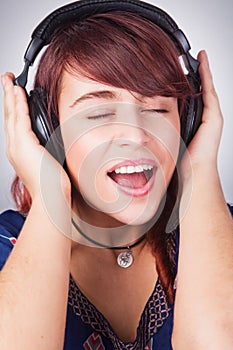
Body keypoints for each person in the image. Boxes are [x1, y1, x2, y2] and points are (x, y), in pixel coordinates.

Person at [0, 1, 232, 349]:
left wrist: (198, 170)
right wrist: (51, 191)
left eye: (157, 109)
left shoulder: (221, 232)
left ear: (186, 123)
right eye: (99, 113)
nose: (136, 136)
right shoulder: (7, 247)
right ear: (45, 129)